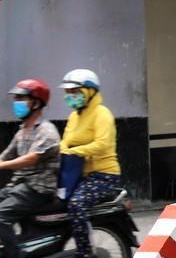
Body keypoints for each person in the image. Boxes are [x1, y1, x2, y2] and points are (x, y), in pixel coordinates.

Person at [57, 70, 119, 258]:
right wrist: (64, 150)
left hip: (104, 175)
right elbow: (64, 142)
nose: (70, 96)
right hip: (79, 174)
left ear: (89, 91)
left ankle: (85, 253)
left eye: (74, 91)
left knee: (76, 204)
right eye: (67, 92)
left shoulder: (102, 114)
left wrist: (74, 151)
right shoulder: (74, 116)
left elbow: (102, 144)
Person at [0, 80, 59, 258]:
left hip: (38, 188)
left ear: (36, 103)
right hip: (21, 185)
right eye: (16, 98)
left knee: (1, 217)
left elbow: (31, 158)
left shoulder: (47, 131)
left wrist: (2, 165)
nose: (16, 103)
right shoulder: (23, 130)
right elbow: (6, 155)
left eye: (21, 98)